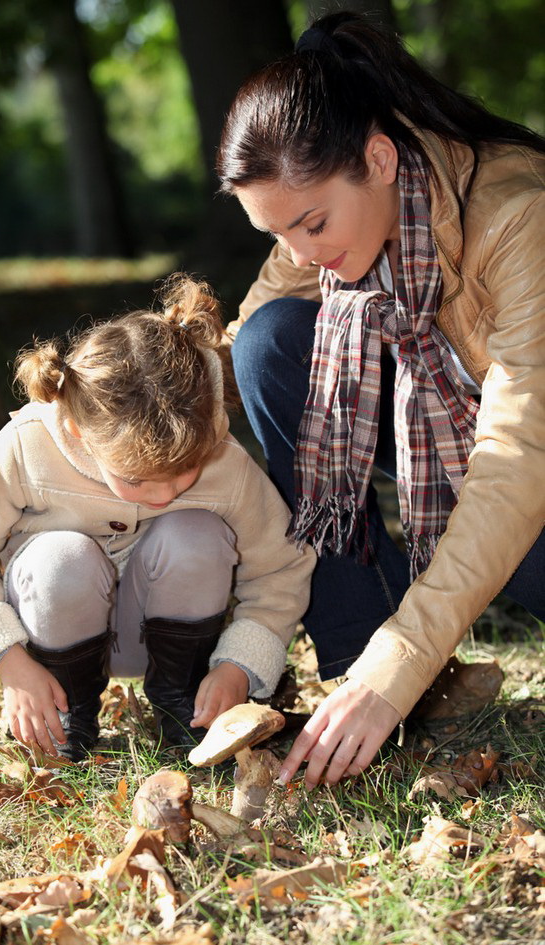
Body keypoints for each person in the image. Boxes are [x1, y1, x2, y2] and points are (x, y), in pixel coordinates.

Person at [216, 10, 545, 789]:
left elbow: (520, 457)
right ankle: (352, 669)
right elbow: (237, 351)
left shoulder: (518, 216)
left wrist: (401, 659)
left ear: (379, 156)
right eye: (279, 234)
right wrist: (98, 403)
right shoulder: (330, 229)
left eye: (311, 223)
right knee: (274, 340)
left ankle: (387, 676)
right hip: (482, 470)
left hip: (529, 485)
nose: (302, 253)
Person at [0, 276, 315, 762]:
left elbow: (280, 565)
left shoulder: (224, 461)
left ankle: (182, 700)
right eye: (138, 480)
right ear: (78, 433)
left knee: (196, 532)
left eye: (184, 473)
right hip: (54, 639)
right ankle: (69, 709)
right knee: (59, 557)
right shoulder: (27, 447)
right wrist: (10, 662)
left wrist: (239, 663)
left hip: (166, 634)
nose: (164, 494)